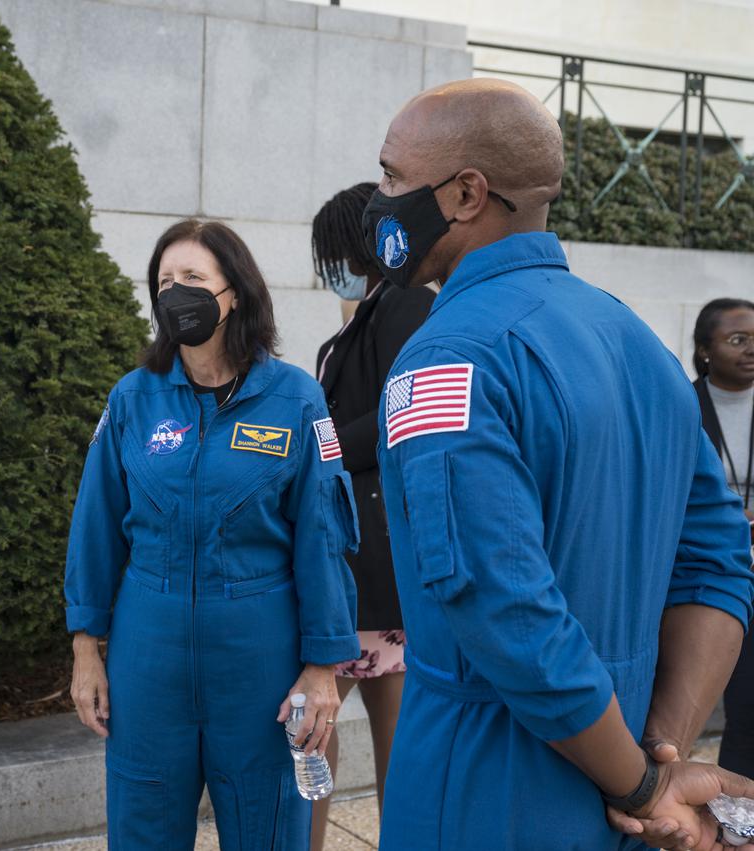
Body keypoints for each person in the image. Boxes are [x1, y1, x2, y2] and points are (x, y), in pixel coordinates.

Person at [366, 77, 754, 851]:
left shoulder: (446, 358)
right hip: (620, 770)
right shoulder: (638, 343)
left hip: (482, 783)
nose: (380, 200)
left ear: (467, 192)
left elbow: (501, 606)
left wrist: (644, 784)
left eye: (392, 179)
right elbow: (718, 566)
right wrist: (659, 751)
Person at [66, 219, 361, 849]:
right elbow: (95, 528)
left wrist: (321, 667)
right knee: (142, 828)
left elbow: (323, 540)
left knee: (267, 828)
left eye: (193, 279)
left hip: (260, 660)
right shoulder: (132, 401)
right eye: (165, 281)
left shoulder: (297, 401)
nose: (176, 293)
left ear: (236, 293)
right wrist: (86, 648)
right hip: (150, 657)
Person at [309, 182, 434, 840]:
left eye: (334, 252)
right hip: (350, 559)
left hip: (377, 567)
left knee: (387, 744)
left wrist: (315, 444)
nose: (330, 268)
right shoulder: (354, 324)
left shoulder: (406, 303)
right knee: (321, 736)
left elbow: (398, 411)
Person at [692, 298, 754, 779]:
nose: (751, 349)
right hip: (707, 572)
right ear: (705, 349)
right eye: (738, 339)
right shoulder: (682, 405)